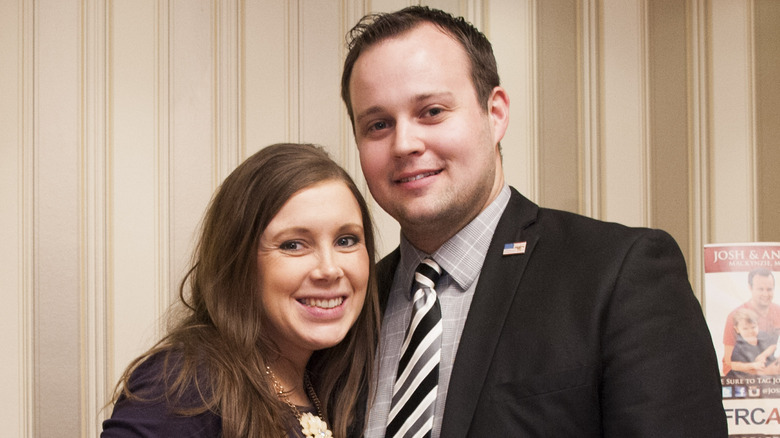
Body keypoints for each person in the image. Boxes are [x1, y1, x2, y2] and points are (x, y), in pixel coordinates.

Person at [340, 6, 727, 437]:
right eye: (378, 124)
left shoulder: (619, 274)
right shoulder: (350, 307)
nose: (405, 143)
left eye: (431, 111)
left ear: (496, 112)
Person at [102, 143, 380, 438]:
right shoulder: (184, 388)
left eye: (346, 240)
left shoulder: (326, 386)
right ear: (239, 261)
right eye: (293, 244)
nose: (330, 269)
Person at [723, 268, 779, 375]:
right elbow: (728, 363)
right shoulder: (734, 317)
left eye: (769, 289)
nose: (765, 294)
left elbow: (773, 347)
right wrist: (758, 368)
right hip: (742, 378)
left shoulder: (778, 312)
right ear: (750, 288)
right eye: (760, 289)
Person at [726, 308, 779, 379]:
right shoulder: (739, 347)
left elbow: (773, 346)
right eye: (745, 328)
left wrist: (764, 355)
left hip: (767, 370)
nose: (750, 331)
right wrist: (753, 365)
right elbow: (734, 365)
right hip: (746, 377)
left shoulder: (762, 335)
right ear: (737, 329)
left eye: (753, 327)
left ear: (758, 325)